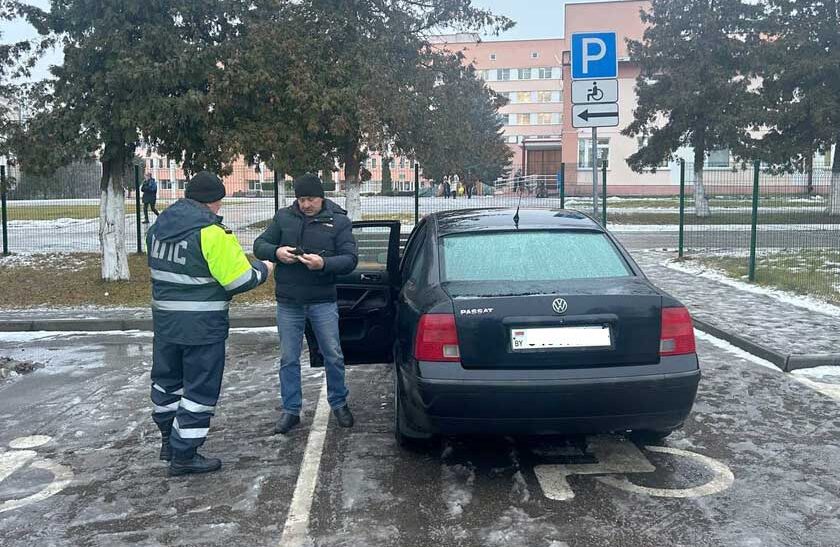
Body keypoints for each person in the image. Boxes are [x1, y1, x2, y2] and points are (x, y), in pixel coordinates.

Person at [147, 171, 273, 477]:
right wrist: (264, 268)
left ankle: (168, 440)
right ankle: (185, 455)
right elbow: (238, 279)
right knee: (199, 391)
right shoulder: (212, 233)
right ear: (214, 201)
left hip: (165, 325)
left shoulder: (159, 228)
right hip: (202, 327)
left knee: (167, 384)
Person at [253, 174, 358, 435]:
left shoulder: (339, 221)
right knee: (289, 358)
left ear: (321, 198)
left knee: (333, 355)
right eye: (301, 199)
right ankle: (291, 410)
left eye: (310, 199)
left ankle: (339, 403)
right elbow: (259, 245)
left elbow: (350, 259)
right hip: (289, 302)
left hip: (322, 300)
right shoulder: (283, 217)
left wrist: (324, 264)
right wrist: (276, 253)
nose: (305, 205)